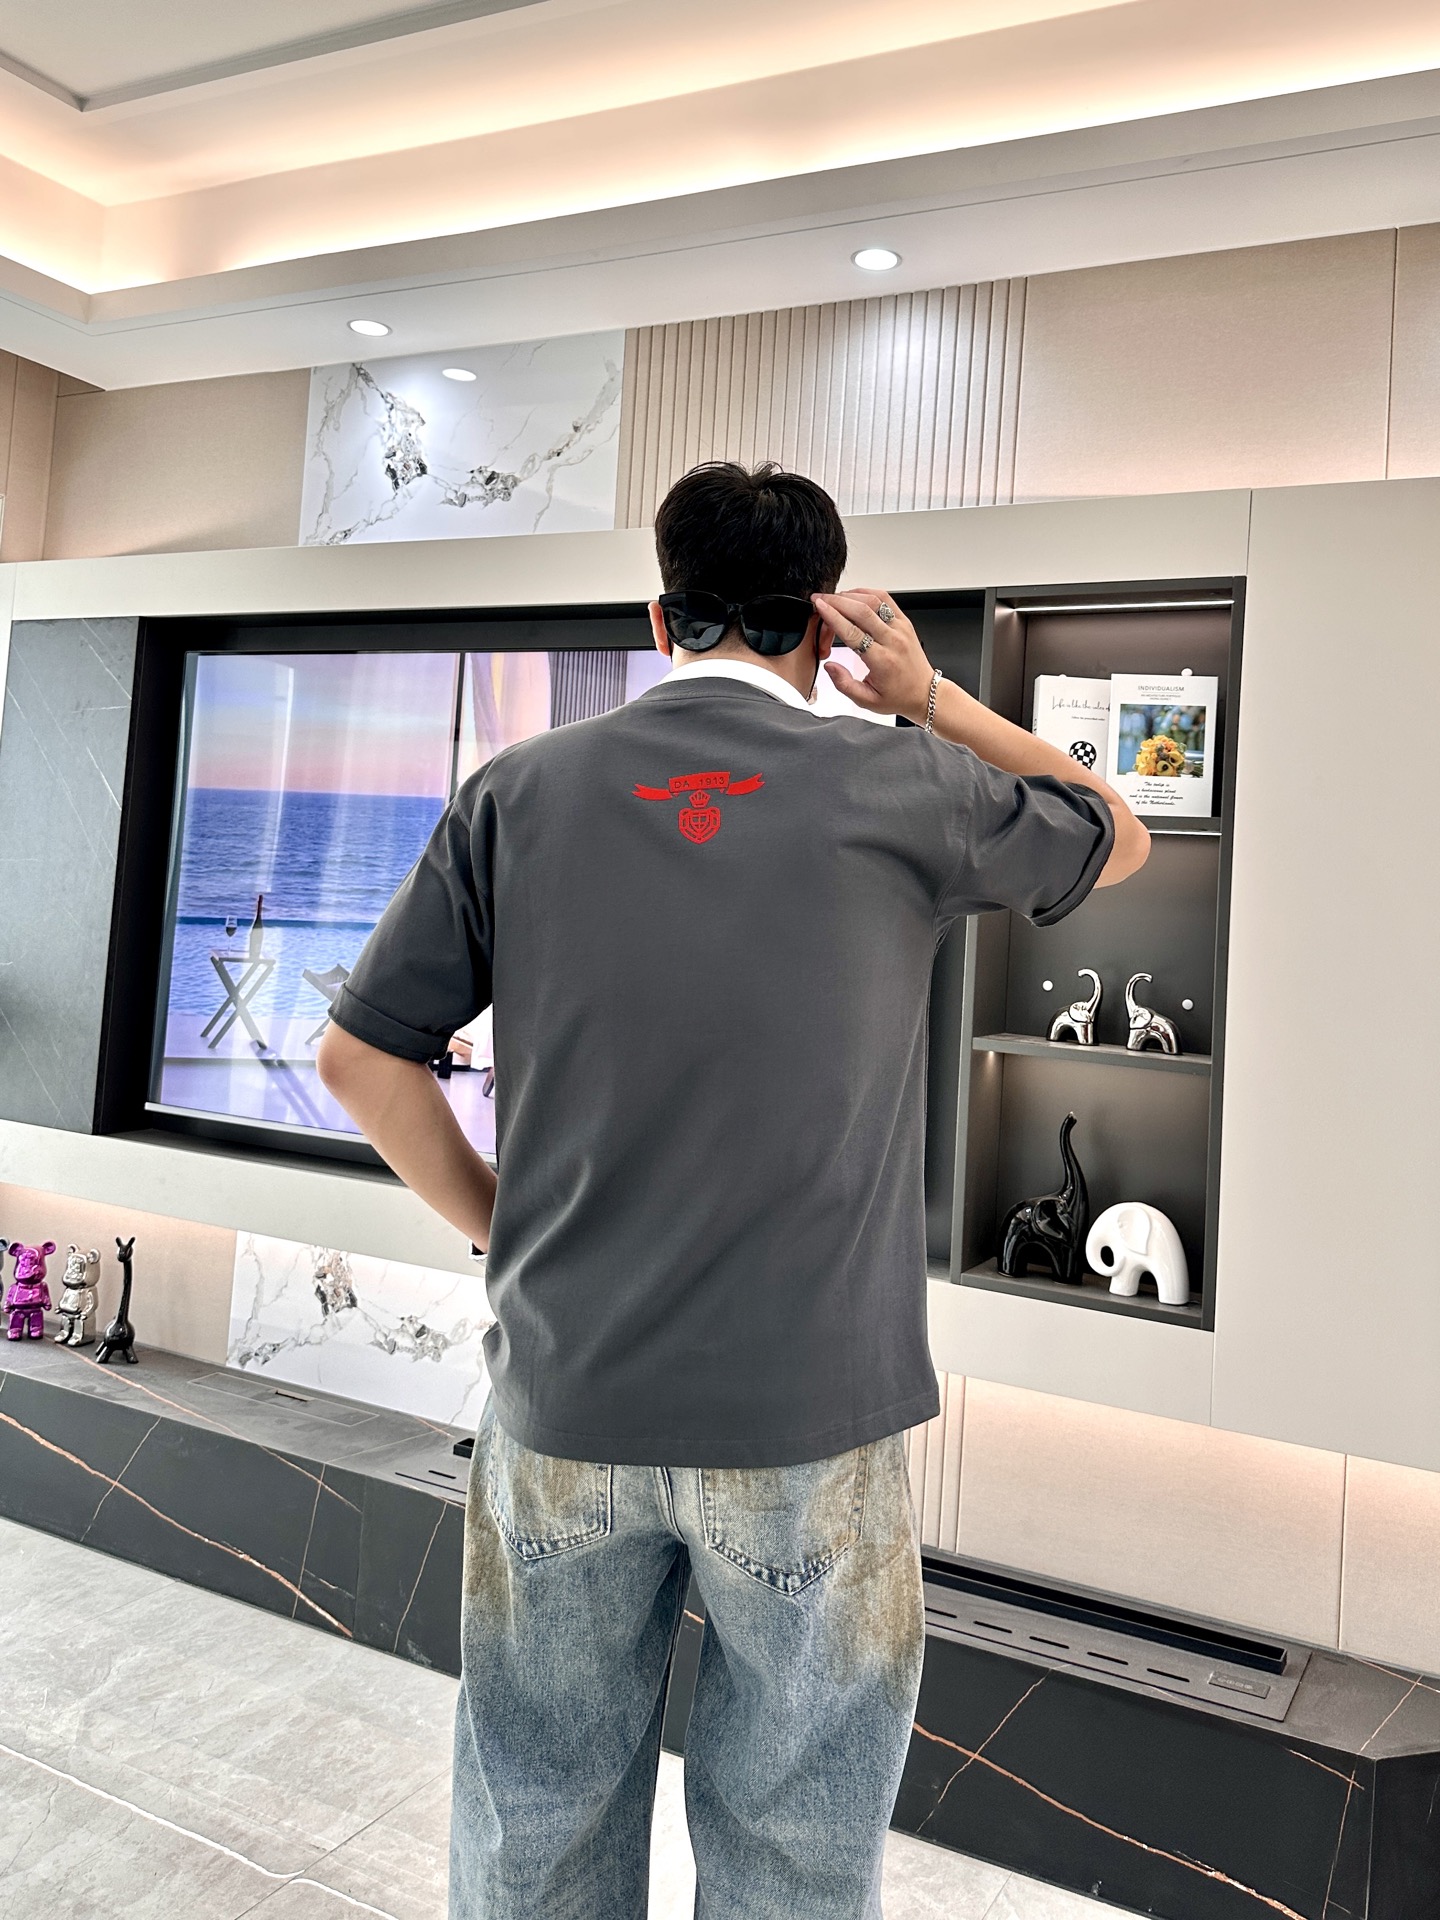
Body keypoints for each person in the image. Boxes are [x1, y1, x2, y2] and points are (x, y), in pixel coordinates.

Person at [317, 462, 1149, 1920]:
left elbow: (357, 1058)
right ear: (826, 624)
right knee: (794, 1858)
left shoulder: (518, 791)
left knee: (536, 1822)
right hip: (809, 1419)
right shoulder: (909, 784)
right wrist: (929, 698)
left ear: (661, 617)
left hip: (568, 1392)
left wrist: (507, 1227)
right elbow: (1114, 830)